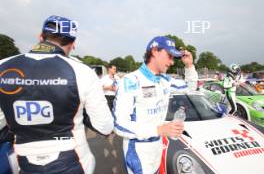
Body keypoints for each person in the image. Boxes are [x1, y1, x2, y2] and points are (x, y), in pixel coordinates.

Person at [0, 15, 113, 174]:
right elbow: (105, 127)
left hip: (23, 161)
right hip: (74, 161)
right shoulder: (82, 72)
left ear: (40, 37)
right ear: (73, 44)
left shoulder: (3, 65)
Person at [112, 36, 198, 174]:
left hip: (157, 147)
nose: (171, 62)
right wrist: (159, 130)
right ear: (154, 51)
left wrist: (189, 65)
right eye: (169, 56)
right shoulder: (131, 80)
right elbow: (119, 124)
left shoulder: (165, 80)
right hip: (138, 150)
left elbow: (191, 87)